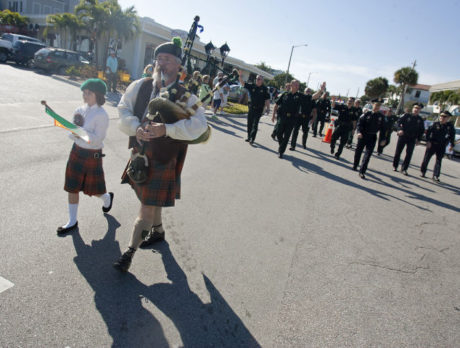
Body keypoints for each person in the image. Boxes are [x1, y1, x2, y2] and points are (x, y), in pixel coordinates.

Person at [115, 38, 208, 272]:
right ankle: (158, 232)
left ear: (179, 66)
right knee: (150, 200)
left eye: (167, 60)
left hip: (164, 157)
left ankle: (129, 253)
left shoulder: (186, 97)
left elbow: (200, 126)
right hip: (140, 153)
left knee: (147, 205)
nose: (162, 64)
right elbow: (123, 108)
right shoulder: (141, 85)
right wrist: (135, 127)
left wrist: (167, 129)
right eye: (159, 59)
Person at [57, 78, 114, 234]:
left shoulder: (101, 115)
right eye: (84, 92)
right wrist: (72, 130)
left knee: (93, 189)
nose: (85, 95)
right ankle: (72, 221)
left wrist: (79, 132)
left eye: (89, 93)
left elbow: (97, 139)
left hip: (91, 154)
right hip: (76, 151)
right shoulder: (79, 109)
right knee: (72, 186)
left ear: (98, 95)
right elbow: (73, 128)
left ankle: (106, 197)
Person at [352, 98, 387, 179]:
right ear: (373, 105)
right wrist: (359, 132)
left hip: (372, 137)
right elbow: (359, 124)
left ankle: (362, 171)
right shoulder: (366, 114)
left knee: (367, 155)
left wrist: (383, 139)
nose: (377, 107)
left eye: (379, 105)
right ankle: (355, 165)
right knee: (358, 151)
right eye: (376, 105)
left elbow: (383, 130)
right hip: (363, 135)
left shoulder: (381, 117)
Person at [420, 110, 456, 182]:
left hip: (442, 146)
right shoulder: (434, 124)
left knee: (439, 161)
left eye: (444, 117)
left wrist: (452, 145)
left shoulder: (450, 127)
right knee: (426, 158)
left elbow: (452, 136)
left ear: (448, 118)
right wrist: (428, 141)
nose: (442, 117)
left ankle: (436, 175)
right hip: (432, 144)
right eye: (441, 116)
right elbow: (428, 133)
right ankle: (423, 171)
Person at [271, 79, 302, 158]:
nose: (297, 86)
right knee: (278, 133)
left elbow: (312, 97)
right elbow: (276, 104)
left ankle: (281, 151)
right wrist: (273, 115)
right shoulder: (284, 94)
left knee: (287, 136)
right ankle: (282, 145)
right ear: (291, 85)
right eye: (296, 85)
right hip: (282, 117)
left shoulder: (300, 96)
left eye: (298, 85)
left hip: (291, 119)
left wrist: (320, 90)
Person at [392, 102, 425, 175]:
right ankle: (395, 165)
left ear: (420, 110)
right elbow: (398, 122)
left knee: (409, 154)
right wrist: (399, 129)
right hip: (403, 136)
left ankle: (404, 169)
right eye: (415, 108)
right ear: (413, 108)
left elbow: (421, 130)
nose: (416, 109)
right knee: (398, 152)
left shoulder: (420, 120)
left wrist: (419, 139)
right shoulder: (406, 115)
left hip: (412, 138)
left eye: (418, 108)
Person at [238, 71, 270, 144]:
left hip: (259, 109)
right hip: (251, 108)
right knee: (249, 123)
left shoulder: (265, 89)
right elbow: (243, 83)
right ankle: (249, 137)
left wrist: (268, 108)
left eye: (259, 79)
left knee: (255, 124)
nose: (257, 80)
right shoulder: (252, 86)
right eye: (257, 78)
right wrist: (240, 76)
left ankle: (252, 138)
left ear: (262, 81)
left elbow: (267, 99)